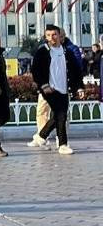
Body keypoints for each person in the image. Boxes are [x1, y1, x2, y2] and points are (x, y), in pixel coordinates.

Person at [29, 25, 82, 155]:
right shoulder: (42, 52)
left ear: (60, 36)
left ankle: (41, 136)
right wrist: (44, 85)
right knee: (61, 115)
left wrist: (79, 87)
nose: (51, 38)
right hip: (50, 90)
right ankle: (63, 144)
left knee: (59, 115)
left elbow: (76, 71)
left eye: (54, 35)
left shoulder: (67, 52)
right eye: (48, 35)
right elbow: (36, 70)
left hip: (64, 89)